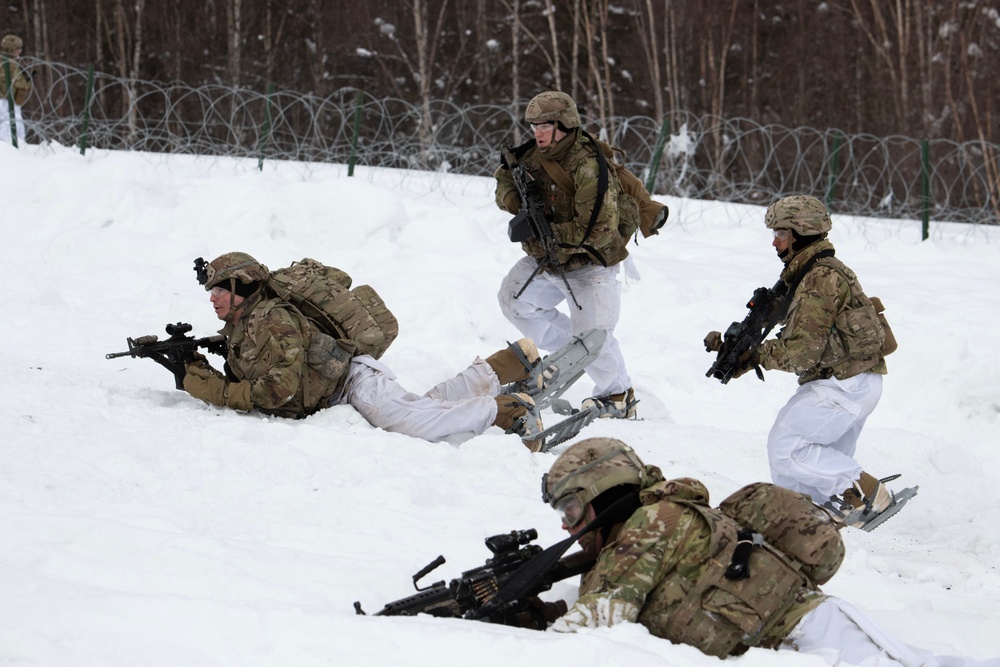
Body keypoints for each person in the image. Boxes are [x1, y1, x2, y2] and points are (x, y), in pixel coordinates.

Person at [540, 437, 998, 666]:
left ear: (603, 490)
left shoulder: (655, 522)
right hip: (788, 648)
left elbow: (599, 621)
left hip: (812, 634)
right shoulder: (625, 550)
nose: (567, 523)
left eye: (573, 506)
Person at [182, 252, 546, 448]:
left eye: (219, 291)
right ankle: (508, 365)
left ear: (241, 288)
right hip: (339, 385)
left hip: (352, 380)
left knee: (417, 423)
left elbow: (279, 390)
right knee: (423, 408)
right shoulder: (246, 324)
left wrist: (212, 389)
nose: (213, 300)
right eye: (210, 293)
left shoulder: (271, 320)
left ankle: (504, 411)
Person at [705, 194, 896, 527]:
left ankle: (863, 492)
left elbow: (801, 352)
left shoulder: (817, 279)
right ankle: (808, 511)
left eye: (781, 233)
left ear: (801, 233)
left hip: (845, 384)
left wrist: (755, 357)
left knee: (787, 447)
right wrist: (740, 349)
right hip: (853, 379)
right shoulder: (808, 271)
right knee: (804, 458)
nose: (774, 242)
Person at [493, 91, 666, 420]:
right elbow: (503, 174)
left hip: (590, 263)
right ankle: (572, 352)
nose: (537, 133)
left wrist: (550, 233)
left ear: (564, 125)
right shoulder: (531, 154)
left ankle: (616, 396)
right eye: (533, 126)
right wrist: (513, 199)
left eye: (545, 126)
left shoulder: (587, 165)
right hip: (546, 260)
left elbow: (600, 229)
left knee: (594, 335)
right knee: (513, 300)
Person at [0, 34, 31, 145]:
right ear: (11, 49)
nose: (20, 52)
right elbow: (21, 84)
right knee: (11, 132)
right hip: (6, 103)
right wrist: (27, 80)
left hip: (10, 102)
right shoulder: (10, 64)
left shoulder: (11, 62)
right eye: (18, 49)